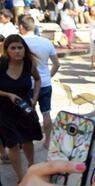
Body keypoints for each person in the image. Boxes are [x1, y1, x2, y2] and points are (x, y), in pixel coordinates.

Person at [0, 34, 42, 182]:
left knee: (27, 139)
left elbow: (37, 79)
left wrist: (35, 98)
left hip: (24, 107)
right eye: (13, 48)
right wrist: (8, 94)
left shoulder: (29, 64)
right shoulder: (1, 64)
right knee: (12, 144)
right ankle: (21, 176)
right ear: (7, 50)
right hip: (4, 110)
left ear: (24, 49)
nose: (17, 51)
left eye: (20, 47)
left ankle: (31, 166)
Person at [19, 15, 60, 149]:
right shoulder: (46, 42)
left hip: (25, 85)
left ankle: (25, 141)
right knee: (46, 113)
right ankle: (48, 140)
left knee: (25, 113)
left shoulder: (19, 42)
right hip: (45, 84)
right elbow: (56, 64)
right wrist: (48, 76)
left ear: (21, 27)